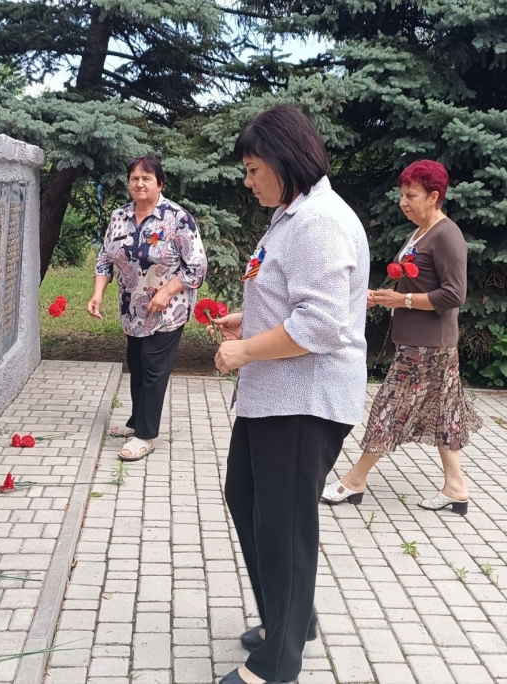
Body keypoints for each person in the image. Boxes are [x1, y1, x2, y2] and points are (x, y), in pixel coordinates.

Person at [211, 105, 369, 684]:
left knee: (284, 525)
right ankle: (291, 620)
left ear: (284, 160)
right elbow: (291, 297)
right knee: (247, 497)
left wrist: (245, 351)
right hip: (277, 397)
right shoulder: (292, 214)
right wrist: (247, 320)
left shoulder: (318, 221)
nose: (248, 181)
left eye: (254, 169)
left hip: (305, 401)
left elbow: (322, 325)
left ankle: (277, 664)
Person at [322, 160, 482, 514]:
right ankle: (456, 487)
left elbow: (454, 295)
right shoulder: (421, 232)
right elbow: (416, 283)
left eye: (411, 196)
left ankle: (355, 480)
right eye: (402, 195)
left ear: (434, 197)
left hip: (428, 345)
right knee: (444, 412)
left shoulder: (447, 235)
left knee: (389, 408)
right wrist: (384, 297)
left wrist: (402, 300)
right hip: (419, 340)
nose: (403, 202)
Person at [88, 154, 207, 461]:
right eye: (134, 178)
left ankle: (145, 435)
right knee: (137, 365)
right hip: (132, 310)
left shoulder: (178, 218)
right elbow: (105, 258)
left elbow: (197, 267)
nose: (139, 183)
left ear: (160, 183)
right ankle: (135, 421)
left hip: (167, 311)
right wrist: (98, 293)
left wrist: (167, 291)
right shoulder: (119, 216)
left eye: (146, 178)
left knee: (153, 368)